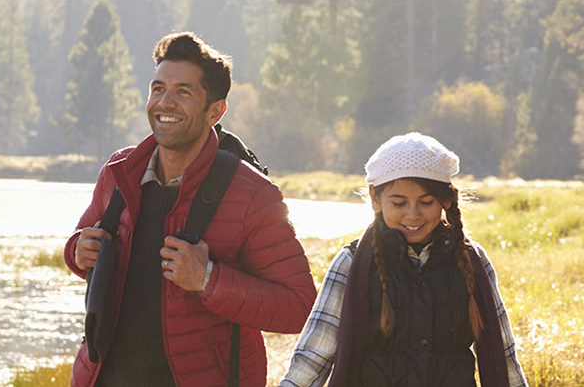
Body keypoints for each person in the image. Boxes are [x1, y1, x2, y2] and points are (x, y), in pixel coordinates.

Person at [64, 32, 316, 387]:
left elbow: (300, 307)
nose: (165, 102)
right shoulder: (118, 172)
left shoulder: (254, 195)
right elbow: (80, 246)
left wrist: (208, 280)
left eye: (183, 92)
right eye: (158, 89)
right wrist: (78, 251)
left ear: (215, 111)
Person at [280, 133, 528, 387]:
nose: (413, 215)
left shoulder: (472, 261)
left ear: (445, 201)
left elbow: (504, 356)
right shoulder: (351, 262)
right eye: (399, 203)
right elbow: (313, 357)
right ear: (375, 199)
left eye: (426, 202)